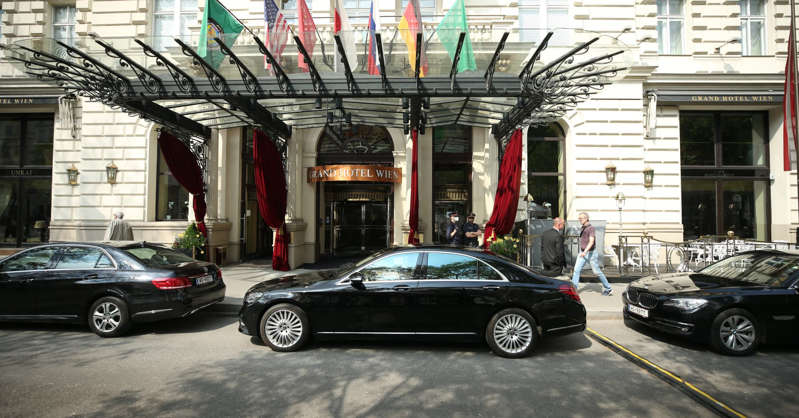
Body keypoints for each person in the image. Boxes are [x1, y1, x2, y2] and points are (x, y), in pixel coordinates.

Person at [572, 212, 613, 296]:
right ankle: (573, 290)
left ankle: (608, 288)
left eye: (581, 218)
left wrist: (585, 252)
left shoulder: (591, 228)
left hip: (590, 253)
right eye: (579, 218)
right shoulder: (583, 227)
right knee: (576, 270)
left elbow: (591, 242)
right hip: (582, 252)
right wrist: (582, 251)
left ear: (587, 218)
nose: (580, 220)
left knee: (596, 272)